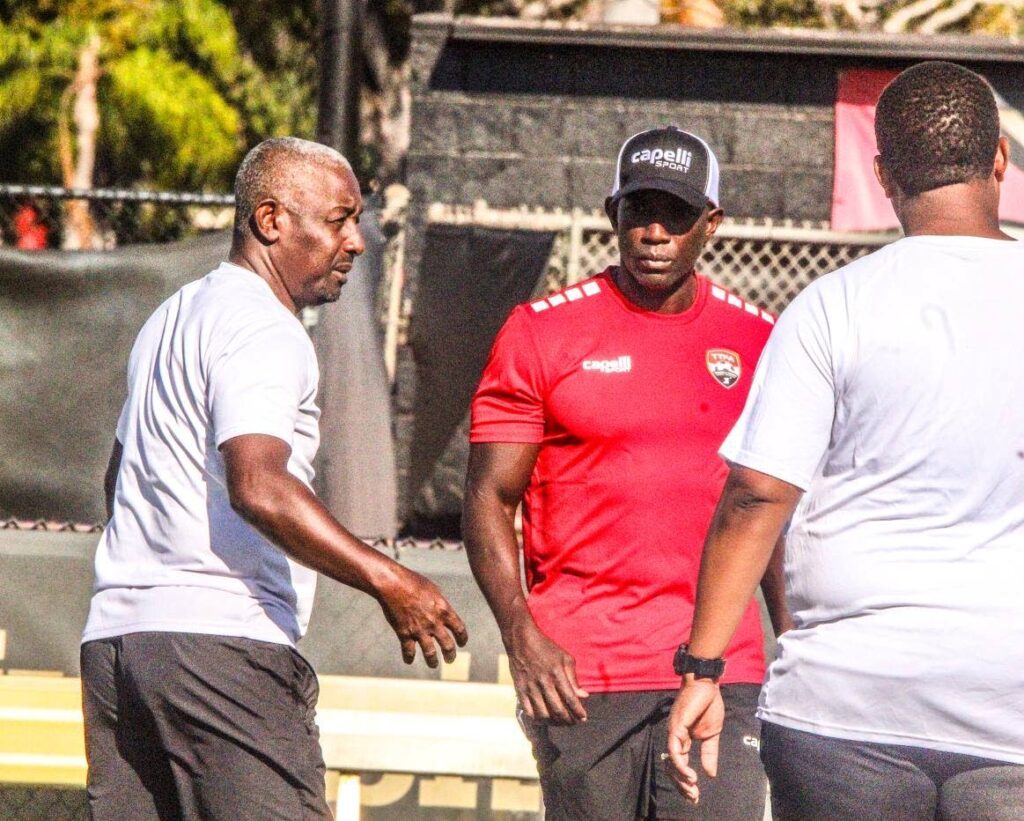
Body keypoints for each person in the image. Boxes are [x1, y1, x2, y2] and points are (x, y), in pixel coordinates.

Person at [667, 61, 1024, 820]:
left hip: (845, 708)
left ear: (883, 173)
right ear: (999, 158)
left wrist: (703, 665)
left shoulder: (831, 307)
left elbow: (757, 494)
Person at [81, 137, 468, 820]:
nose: (356, 241)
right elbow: (258, 483)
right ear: (271, 221)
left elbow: (119, 479)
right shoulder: (263, 326)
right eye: (339, 219)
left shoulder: (172, 316)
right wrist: (390, 578)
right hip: (222, 649)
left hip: (119, 648)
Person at [463, 126, 789, 820]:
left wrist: (799, 649)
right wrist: (522, 632)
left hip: (722, 671)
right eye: (639, 210)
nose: (654, 232)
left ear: (712, 224)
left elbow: (775, 514)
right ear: (613, 214)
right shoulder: (541, 331)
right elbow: (490, 496)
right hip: (583, 678)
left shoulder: (762, 340)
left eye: (676, 214)